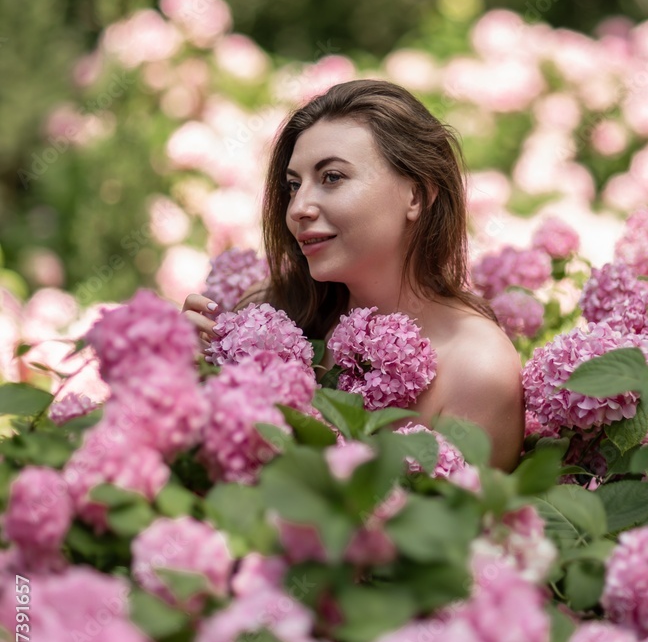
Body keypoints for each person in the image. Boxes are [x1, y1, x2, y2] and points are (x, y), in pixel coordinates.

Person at [183, 79, 524, 471]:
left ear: (416, 195)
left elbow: (456, 528)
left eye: (331, 177)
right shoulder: (269, 315)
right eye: (293, 186)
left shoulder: (478, 368)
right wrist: (189, 382)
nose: (298, 208)